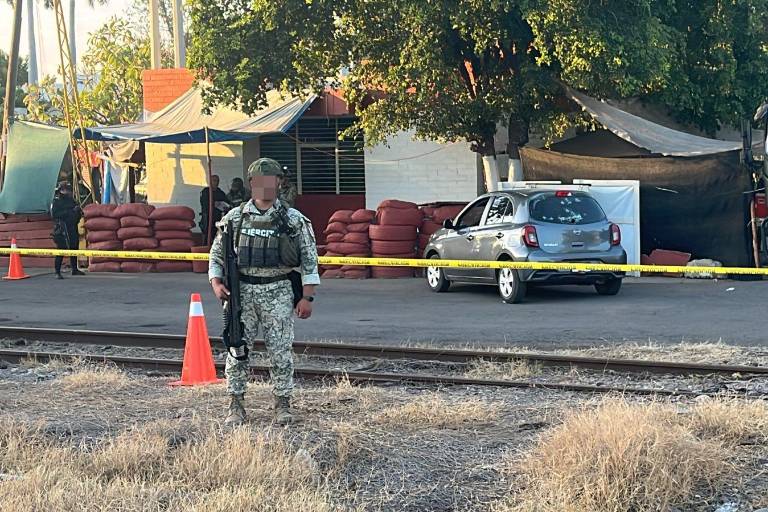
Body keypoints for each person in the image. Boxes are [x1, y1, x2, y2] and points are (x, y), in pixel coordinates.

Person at [209, 158, 320, 426]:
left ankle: (282, 404)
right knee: (237, 350)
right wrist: (216, 282)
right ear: (251, 184)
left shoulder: (293, 220)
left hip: (278, 290)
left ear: (279, 183)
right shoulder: (235, 218)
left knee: (280, 351)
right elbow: (216, 255)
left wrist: (307, 297)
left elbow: (309, 259)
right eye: (259, 182)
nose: (265, 187)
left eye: (270, 181)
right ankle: (235, 404)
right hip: (241, 293)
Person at [50, 182, 85, 279]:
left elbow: (77, 211)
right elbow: (55, 214)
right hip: (62, 228)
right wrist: (70, 212)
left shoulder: (71, 200)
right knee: (61, 249)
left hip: (72, 227)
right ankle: (57, 272)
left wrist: (77, 212)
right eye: (66, 190)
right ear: (62, 190)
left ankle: (74, 269)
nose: (68, 192)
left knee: (74, 248)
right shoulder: (57, 201)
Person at [200, 174, 229, 244]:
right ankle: (205, 246)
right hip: (208, 216)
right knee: (207, 233)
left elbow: (226, 202)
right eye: (214, 181)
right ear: (210, 181)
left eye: (217, 181)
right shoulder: (205, 191)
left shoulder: (220, 192)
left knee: (218, 233)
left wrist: (226, 207)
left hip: (218, 216)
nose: (216, 182)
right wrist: (214, 204)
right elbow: (204, 203)